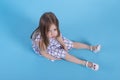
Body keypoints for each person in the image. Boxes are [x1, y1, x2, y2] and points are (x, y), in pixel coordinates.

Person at [30, 12, 101, 71]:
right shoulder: (41, 41)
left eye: (54, 29)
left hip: (52, 40)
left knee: (71, 44)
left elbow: (58, 37)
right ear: (43, 30)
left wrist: (63, 44)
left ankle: (91, 47)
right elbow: (43, 53)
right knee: (65, 55)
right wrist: (52, 57)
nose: (53, 33)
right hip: (47, 48)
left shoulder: (54, 34)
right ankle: (85, 63)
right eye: (49, 31)